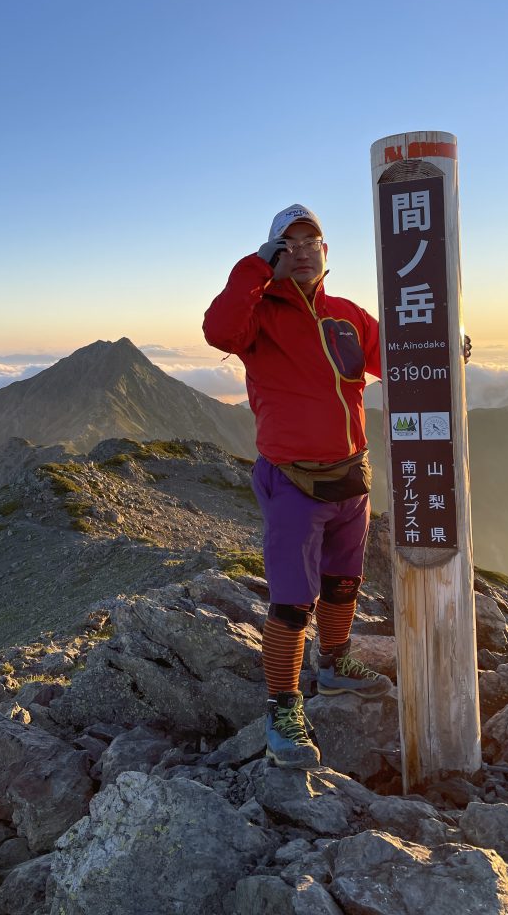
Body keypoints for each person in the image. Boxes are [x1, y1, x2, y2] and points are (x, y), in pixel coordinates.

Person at [203, 204, 392, 770]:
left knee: (343, 582)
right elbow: (218, 331)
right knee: (291, 602)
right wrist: (255, 269)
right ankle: (282, 709)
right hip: (292, 481)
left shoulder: (348, 316)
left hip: (351, 476)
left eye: (312, 242)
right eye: (289, 243)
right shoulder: (258, 315)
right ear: (274, 254)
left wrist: (447, 345)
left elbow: (395, 358)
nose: (303, 251)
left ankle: (333, 663)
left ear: (326, 253)